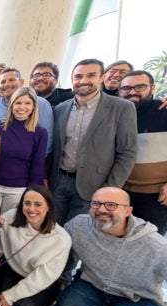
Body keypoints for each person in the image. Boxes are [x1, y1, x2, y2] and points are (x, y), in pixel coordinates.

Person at [55, 187, 167, 306]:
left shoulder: (157, 246)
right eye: (96, 204)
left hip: (137, 297)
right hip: (92, 285)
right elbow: (59, 250)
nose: (101, 209)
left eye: (111, 205)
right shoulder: (79, 224)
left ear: (128, 210)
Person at [49, 58, 137, 225]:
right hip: (59, 183)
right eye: (78, 76)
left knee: (81, 234)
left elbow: (127, 152)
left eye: (90, 75)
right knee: (54, 230)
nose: (83, 81)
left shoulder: (121, 108)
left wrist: (109, 188)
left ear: (101, 78)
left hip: (95, 186)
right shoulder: (61, 109)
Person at [0, 185, 71, 306]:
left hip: (42, 280)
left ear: (48, 207)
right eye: (27, 203)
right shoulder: (12, 216)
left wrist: (11, 296)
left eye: (38, 204)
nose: (31, 209)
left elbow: (42, 277)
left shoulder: (62, 239)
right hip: (13, 269)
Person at [119, 70, 167, 234]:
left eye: (139, 86)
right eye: (126, 88)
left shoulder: (164, 111)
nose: (132, 92)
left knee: (147, 245)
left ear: (152, 88)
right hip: (121, 190)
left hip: (156, 197)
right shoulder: (118, 114)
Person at [0, 87, 47, 219]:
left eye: (27, 103)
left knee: (7, 226)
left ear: (33, 107)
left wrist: (33, 192)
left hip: (18, 189)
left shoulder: (40, 133)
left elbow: (37, 165)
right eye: (18, 103)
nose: (22, 107)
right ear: (12, 105)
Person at [0, 68, 53, 158]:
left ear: (21, 82)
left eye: (11, 80)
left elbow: (47, 141)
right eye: (3, 82)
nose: (7, 84)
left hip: (27, 165)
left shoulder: (41, 104)